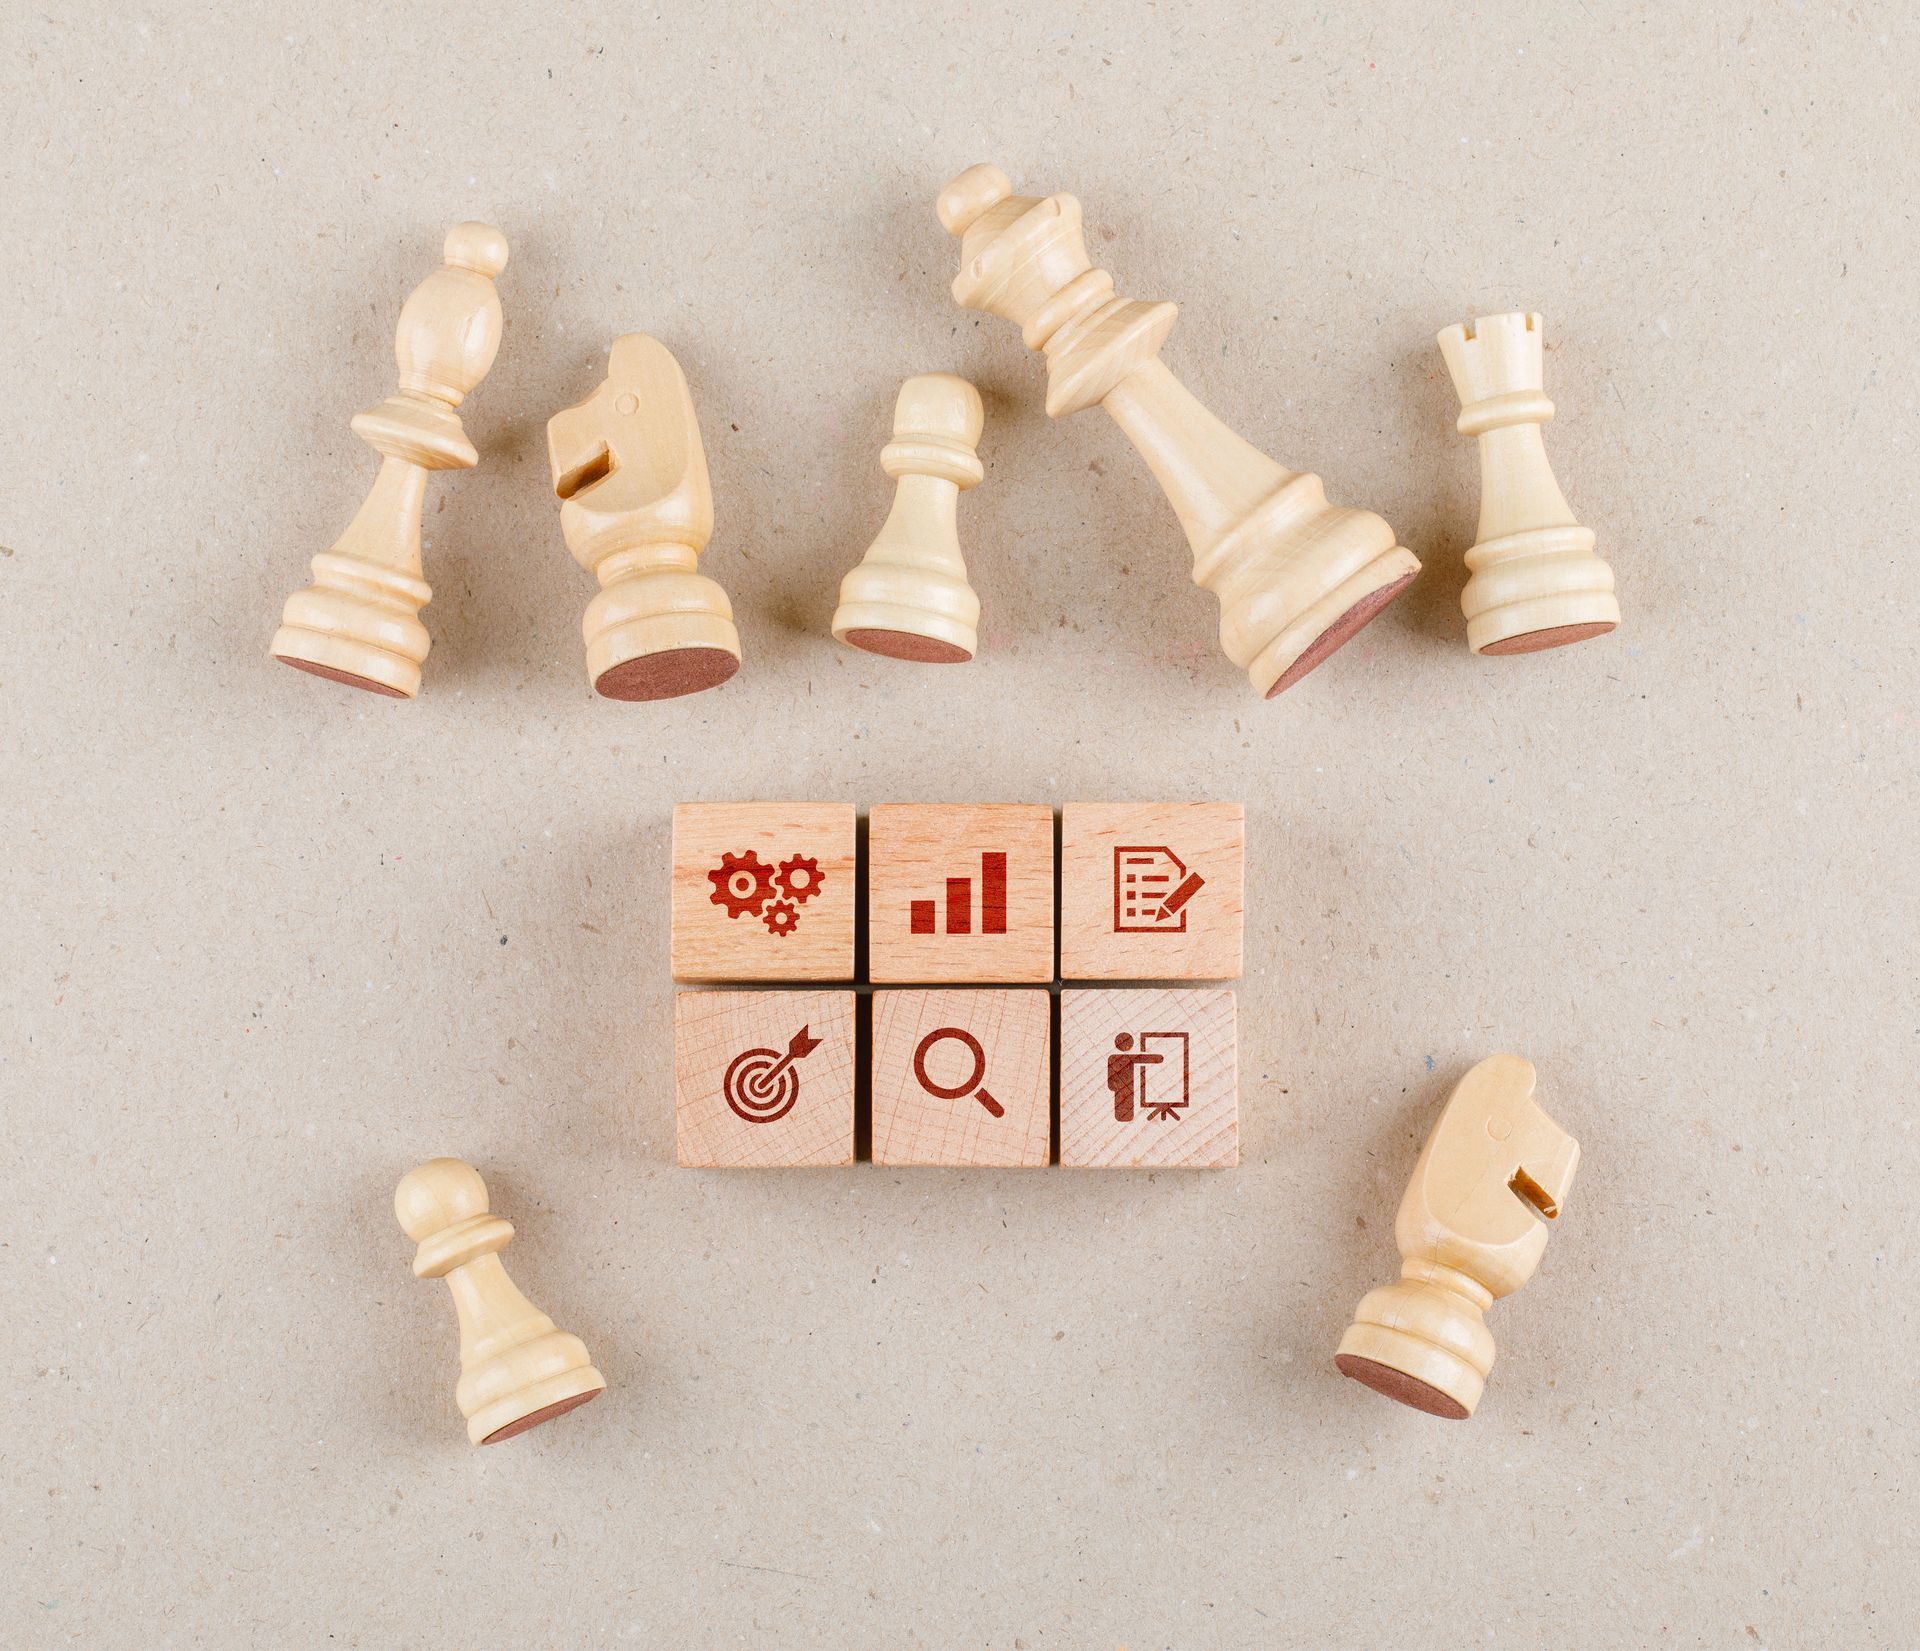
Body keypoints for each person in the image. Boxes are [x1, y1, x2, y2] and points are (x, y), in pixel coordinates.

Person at [1106, 1032, 1163, 1123]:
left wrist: (1112, 1086)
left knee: (1126, 1106)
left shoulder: (1113, 1058)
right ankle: (1123, 1118)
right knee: (1123, 1107)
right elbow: (1148, 1058)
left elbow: (1147, 1058)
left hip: (1125, 1088)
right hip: (1123, 1088)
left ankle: (1124, 1118)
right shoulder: (1115, 1058)